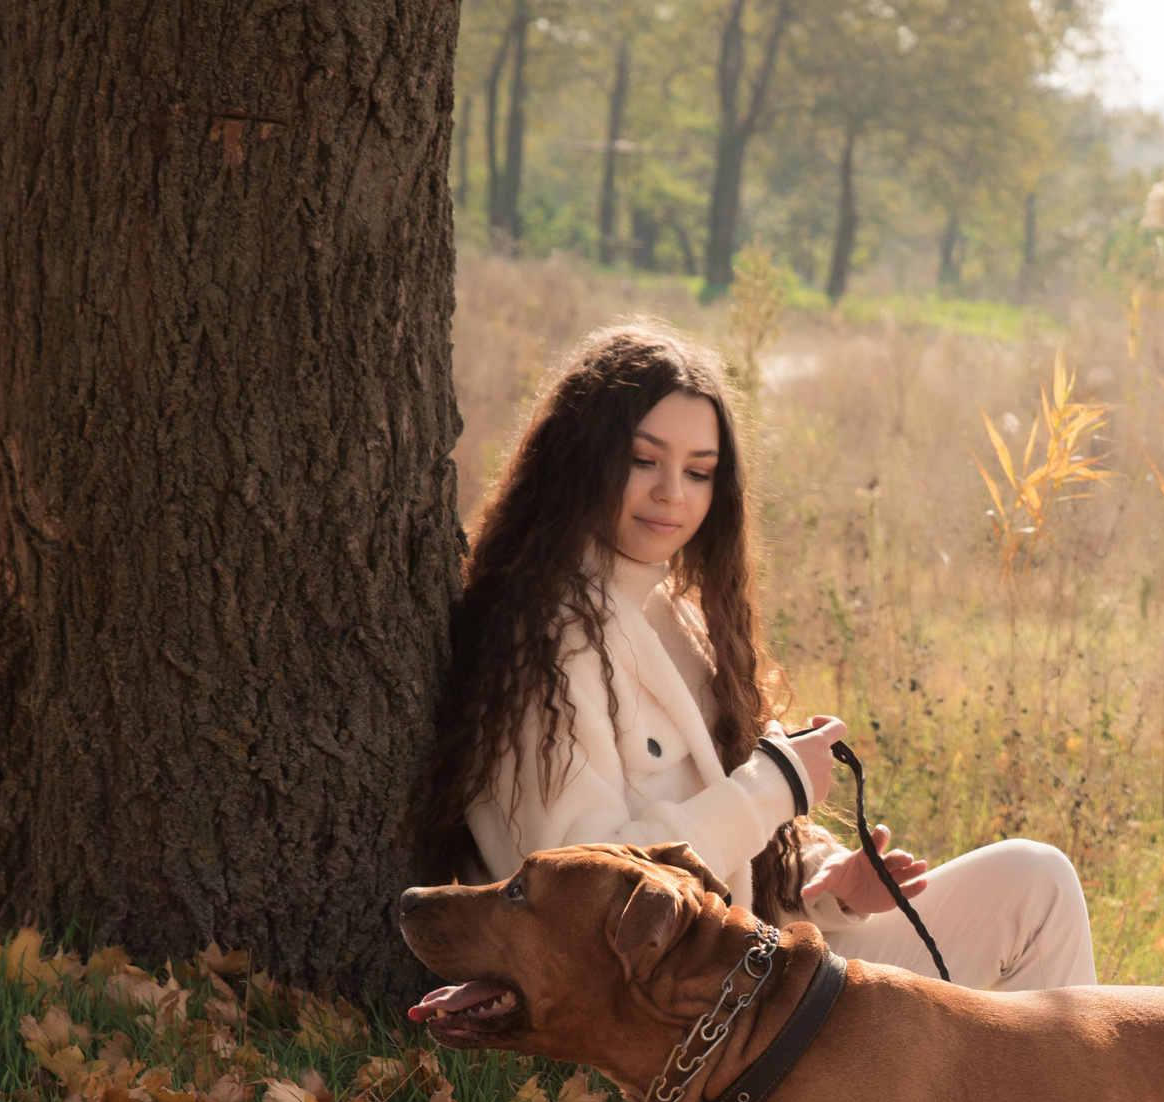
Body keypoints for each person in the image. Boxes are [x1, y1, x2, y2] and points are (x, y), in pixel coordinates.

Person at [412, 322, 1095, 992]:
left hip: (751, 965)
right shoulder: (543, 640)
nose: (673, 492)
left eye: (698, 471)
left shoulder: (674, 615)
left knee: (1035, 884)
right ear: (580, 458)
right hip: (668, 1008)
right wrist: (774, 786)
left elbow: (737, 854)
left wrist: (828, 885)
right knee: (1036, 895)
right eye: (644, 460)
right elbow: (584, 906)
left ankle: (1067, 1075)